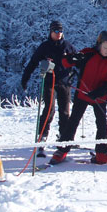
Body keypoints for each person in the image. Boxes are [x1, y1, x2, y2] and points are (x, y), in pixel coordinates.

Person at [50, 30, 107, 165]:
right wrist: (71, 59)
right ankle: (62, 149)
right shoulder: (88, 54)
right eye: (104, 48)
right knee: (73, 121)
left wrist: (98, 92)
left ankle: (102, 152)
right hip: (83, 94)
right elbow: (66, 62)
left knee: (102, 124)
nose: (106, 51)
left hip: (99, 97)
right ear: (99, 44)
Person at [21, 20, 76, 158]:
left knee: (64, 111)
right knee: (49, 109)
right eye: (56, 31)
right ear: (51, 32)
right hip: (49, 82)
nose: (58, 34)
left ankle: (63, 138)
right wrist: (25, 77)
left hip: (64, 82)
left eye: (60, 31)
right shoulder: (45, 47)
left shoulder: (67, 46)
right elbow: (33, 62)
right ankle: (42, 138)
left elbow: (78, 61)